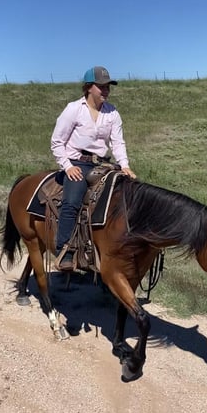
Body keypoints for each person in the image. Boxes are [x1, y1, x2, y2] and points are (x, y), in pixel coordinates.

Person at [50, 66, 137, 270]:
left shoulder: (112, 112)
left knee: (125, 194)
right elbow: (56, 142)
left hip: (103, 163)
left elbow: (118, 142)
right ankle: (64, 250)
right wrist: (67, 166)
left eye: (108, 87)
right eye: (101, 87)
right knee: (72, 201)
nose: (106, 90)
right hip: (77, 162)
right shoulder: (74, 109)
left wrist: (124, 165)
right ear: (89, 87)